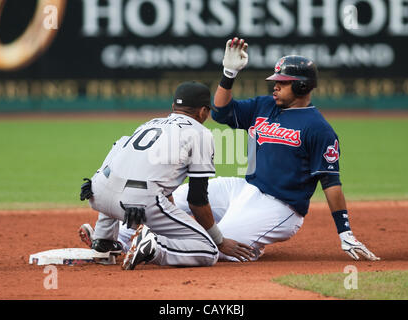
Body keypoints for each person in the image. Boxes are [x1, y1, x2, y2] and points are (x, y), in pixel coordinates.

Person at [115, 38, 380, 263]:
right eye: (276, 81)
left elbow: (331, 183)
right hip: (244, 188)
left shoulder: (319, 129)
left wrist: (344, 232)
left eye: (283, 82)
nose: (275, 85)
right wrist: (228, 75)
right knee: (176, 195)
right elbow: (220, 112)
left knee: (220, 245)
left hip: (280, 206)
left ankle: (156, 247)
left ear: (301, 86)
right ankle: (118, 240)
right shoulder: (265, 107)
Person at [79, 81, 254, 270]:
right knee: (208, 250)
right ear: (204, 111)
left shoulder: (149, 123)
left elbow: (120, 150)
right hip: (138, 202)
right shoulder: (200, 133)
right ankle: (154, 246)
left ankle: (103, 242)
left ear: (173, 107)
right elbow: (197, 200)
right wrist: (219, 241)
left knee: (118, 178)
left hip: (97, 192)